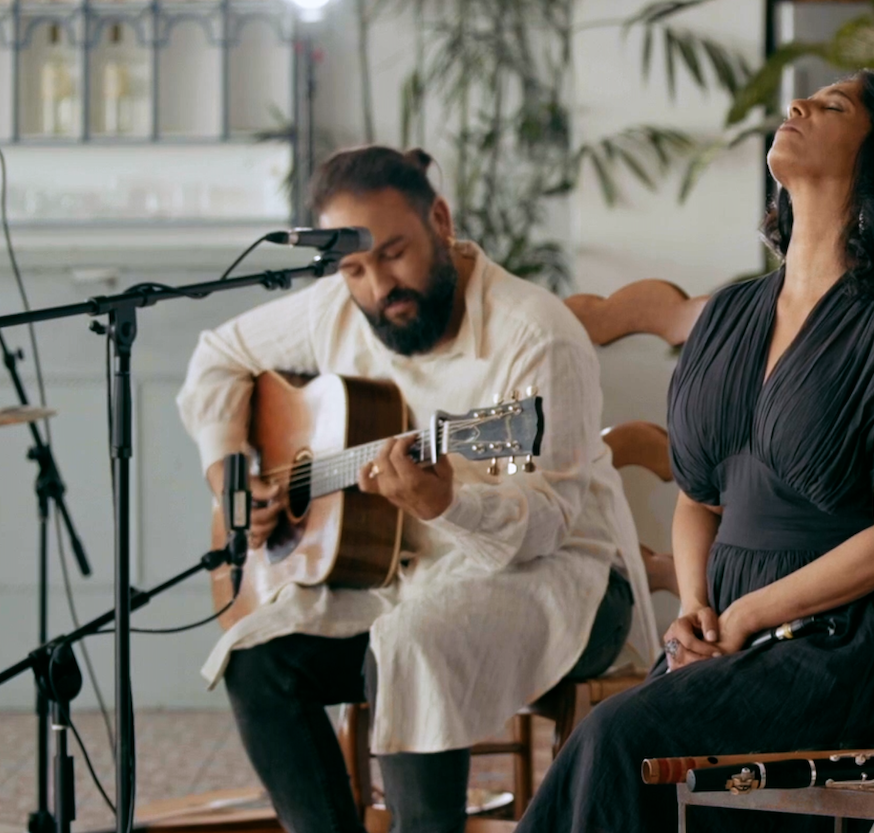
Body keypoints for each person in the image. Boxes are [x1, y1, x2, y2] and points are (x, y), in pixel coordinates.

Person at [511, 69, 874, 833]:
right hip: (733, 626)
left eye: (832, 106)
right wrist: (697, 610)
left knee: (619, 736)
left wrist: (744, 619)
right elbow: (699, 500)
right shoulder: (730, 312)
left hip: (855, 641)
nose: (797, 106)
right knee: (608, 748)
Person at [176, 146, 658, 833]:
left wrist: (447, 502)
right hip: (398, 577)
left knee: (414, 644)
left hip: (566, 586)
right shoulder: (333, 311)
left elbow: (551, 518)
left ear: (440, 218)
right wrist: (229, 473)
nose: (378, 287)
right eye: (354, 269)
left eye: (394, 253)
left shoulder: (536, 335)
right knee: (256, 658)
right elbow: (217, 355)